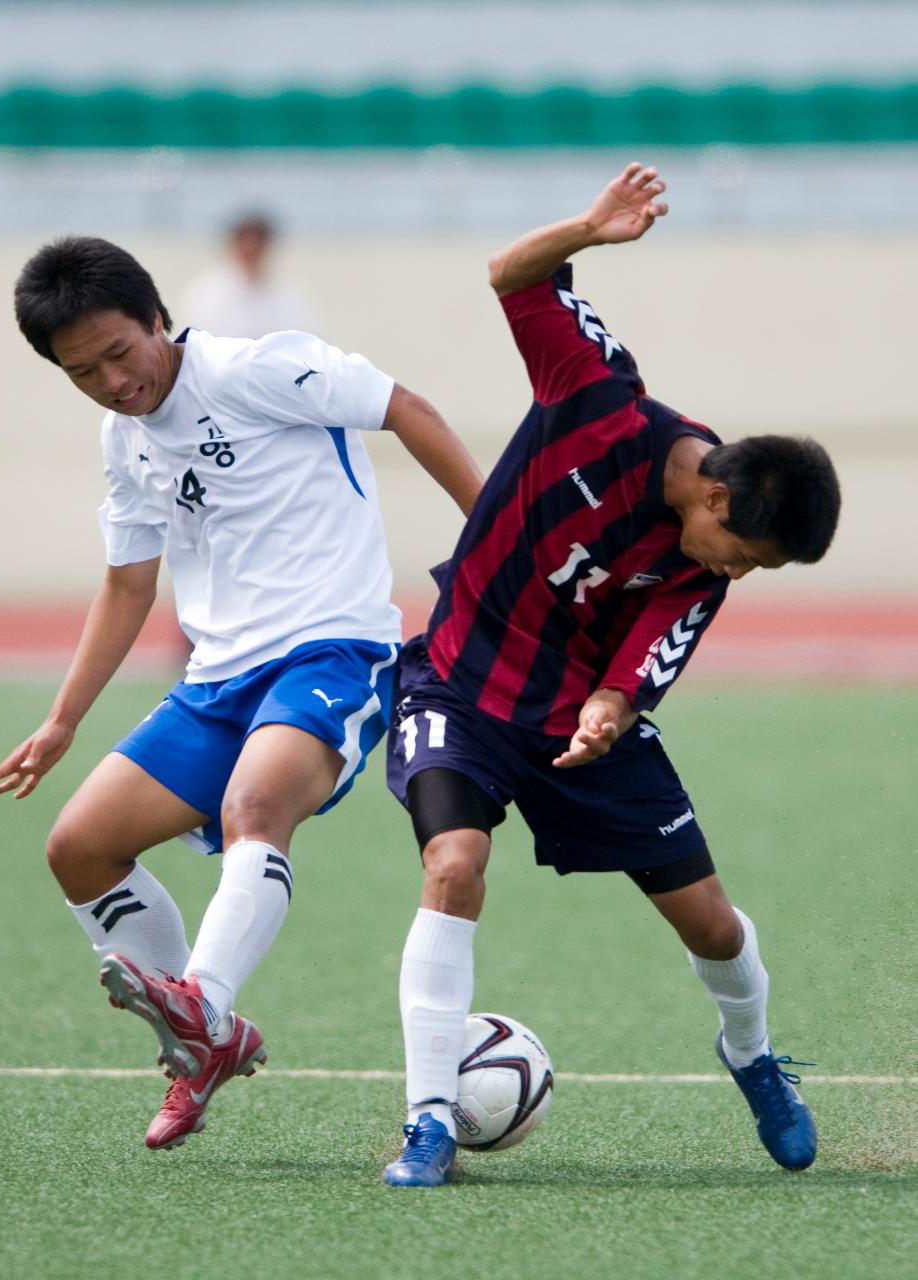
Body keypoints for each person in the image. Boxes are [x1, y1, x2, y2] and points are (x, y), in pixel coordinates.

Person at [0, 234, 483, 1152]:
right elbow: (128, 584)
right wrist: (61, 721)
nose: (113, 382)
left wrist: (494, 544)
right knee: (80, 849)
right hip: (218, 676)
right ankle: (196, 1042)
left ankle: (203, 1002)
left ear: (157, 319)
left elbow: (405, 408)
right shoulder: (121, 438)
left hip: (332, 647)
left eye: (120, 354)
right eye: (81, 372)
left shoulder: (259, 367)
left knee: (256, 805)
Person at [381, 163, 841, 1187]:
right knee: (452, 862)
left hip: (578, 725)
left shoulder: (699, 567)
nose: (736, 575)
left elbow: (637, 665)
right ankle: (427, 1120)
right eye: (746, 555)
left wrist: (606, 709)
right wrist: (588, 229)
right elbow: (510, 275)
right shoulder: (597, 398)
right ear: (716, 497)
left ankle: (751, 1053)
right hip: (460, 682)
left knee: (711, 920)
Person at [182, 213, 315, 339]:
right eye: (245, 243)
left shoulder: (288, 295)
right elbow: (195, 344)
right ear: (233, 246)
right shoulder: (207, 293)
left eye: (257, 246)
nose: (250, 251)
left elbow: (306, 341)